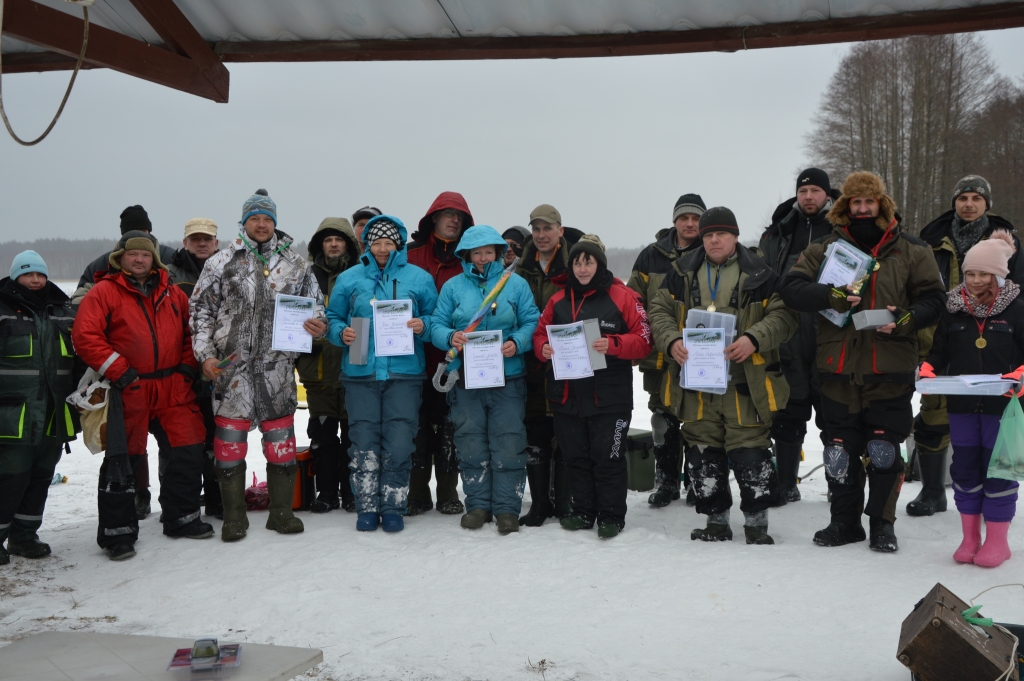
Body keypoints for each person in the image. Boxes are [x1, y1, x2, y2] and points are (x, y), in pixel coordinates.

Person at [781, 171, 946, 552]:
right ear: (845, 206)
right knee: (839, 450)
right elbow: (791, 289)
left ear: (882, 205)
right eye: (855, 202)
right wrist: (829, 296)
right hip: (836, 367)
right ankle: (844, 523)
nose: (862, 208)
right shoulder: (824, 249)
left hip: (889, 367)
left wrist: (908, 318)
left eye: (869, 202)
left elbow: (936, 300)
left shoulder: (912, 250)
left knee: (884, 450)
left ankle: (882, 525)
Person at [649, 208, 796, 544]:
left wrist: (754, 338)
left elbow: (785, 316)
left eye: (721, 234)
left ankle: (757, 526)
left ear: (735, 236)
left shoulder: (761, 274)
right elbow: (657, 309)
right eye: (708, 235)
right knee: (702, 453)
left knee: (751, 453)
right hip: (697, 383)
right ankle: (716, 523)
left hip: (745, 383)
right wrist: (671, 340)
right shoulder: (680, 273)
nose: (714, 240)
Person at [191, 189, 326, 542]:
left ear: (275, 223)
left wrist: (317, 325)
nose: (262, 224)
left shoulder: (297, 265)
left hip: (277, 370)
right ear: (244, 222)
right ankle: (235, 516)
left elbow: (316, 309)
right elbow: (200, 312)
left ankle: (281, 513)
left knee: (280, 442)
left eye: (267, 219)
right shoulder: (220, 263)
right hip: (230, 372)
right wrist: (204, 355)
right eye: (255, 218)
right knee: (229, 444)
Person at [74, 232, 213, 560]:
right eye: (133, 254)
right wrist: (119, 371)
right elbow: (85, 335)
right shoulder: (104, 292)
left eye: (146, 255)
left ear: (155, 260)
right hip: (128, 388)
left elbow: (191, 334)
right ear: (120, 258)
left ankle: (182, 516)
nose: (139, 260)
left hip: (172, 387)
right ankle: (118, 532)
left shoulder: (174, 293)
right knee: (124, 459)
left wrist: (185, 371)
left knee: (188, 448)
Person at [910, 175, 1022, 517]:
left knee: (992, 431)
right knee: (934, 417)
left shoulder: (1010, 245)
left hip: (998, 344)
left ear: (987, 203)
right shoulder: (931, 240)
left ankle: (995, 504)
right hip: (944, 336)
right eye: (963, 198)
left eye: (976, 197)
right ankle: (932, 491)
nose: (969, 203)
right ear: (954, 202)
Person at [533, 234, 651, 538]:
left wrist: (613, 344)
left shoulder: (623, 296)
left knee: (608, 459)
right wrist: (543, 347)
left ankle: (611, 516)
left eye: (589, 261)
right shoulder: (558, 299)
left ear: (599, 264)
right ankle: (584, 512)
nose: (583, 268)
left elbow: (644, 341)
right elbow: (539, 334)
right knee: (576, 459)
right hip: (567, 396)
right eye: (577, 261)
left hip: (610, 398)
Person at [326, 215, 437, 533]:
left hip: (404, 374)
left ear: (399, 244)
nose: (383, 248)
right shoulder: (350, 279)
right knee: (363, 443)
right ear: (367, 244)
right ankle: (367, 506)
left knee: (399, 444)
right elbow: (333, 317)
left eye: (389, 243)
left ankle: (392, 506)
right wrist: (341, 333)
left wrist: (423, 325)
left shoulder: (419, 278)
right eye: (377, 242)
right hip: (361, 373)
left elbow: (435, 316)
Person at [430, 225, 540, 534]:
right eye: (476, 253)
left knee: (508, 441)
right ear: (466, 255)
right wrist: (451, 336)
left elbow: (532, 320)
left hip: (508, 377)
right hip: (466, 378)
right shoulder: (453, 287)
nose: (482, 258)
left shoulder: (515, 285)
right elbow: (436, 323)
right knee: (471, 441)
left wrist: (517, 343)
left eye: (488, 252)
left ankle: (507, 508)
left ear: (498, 253)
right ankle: (478, 505)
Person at [71, 204, 177, 520]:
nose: (141, 244)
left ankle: (169, 495)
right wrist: (110, 359)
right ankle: (139, 496)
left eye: (145, 232)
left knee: (173, 440)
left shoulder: (169, 255)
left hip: (167, 378)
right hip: (124, 377)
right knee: (131, 444)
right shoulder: (100, 266)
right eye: (134, 233)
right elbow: (80, 312)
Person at [922, 238, 1020, 568]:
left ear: (999, 276)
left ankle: (997, 541)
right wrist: (929, 366)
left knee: (999, 469)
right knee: (964, 468)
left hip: (1004, 406)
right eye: (971, 273)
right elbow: (940, 350)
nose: (976, 280)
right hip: (962, 403)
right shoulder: (952, 308)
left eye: (984, 274)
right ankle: (970, 537)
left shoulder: (1017, 307)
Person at [759, 169, 839, 503]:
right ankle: (786, 483)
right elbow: (761, 279)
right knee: (788, 411)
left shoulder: (843, 230)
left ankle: (840, 484)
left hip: (830, 331)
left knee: (835, 415)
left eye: (815, 190)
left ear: (827, 195)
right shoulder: (778, 233)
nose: (808, 197)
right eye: (803, 190)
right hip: (788, 331)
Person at [0, 252, 81, 565]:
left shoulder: (62, 311)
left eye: (40, 275)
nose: (35, 280)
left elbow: (78, 358)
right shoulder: (3, 310)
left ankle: (25, 535)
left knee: (41, 475)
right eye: (27, 274)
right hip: (13, 413)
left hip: (54, 412)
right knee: (11, 476)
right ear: (16, 276)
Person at [627, 193, 705, 508]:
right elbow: (633, 301)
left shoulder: (711, 252)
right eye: (684, 218)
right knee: (663, 419)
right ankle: (667, 483)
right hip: (659, 356)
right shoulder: (651, 256)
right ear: (674, 221)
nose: (690, 223)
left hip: (700, 354)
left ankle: (698, 483)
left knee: (700, 419)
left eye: (696, 218)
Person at [406, 192, 475, 516]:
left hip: (456, 361)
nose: (453, 220)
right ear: (432, 218)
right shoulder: (411, 256)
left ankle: (448, 492)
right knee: (417, 428)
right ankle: (417, 493)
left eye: (458, 216)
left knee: (451, 427)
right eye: (446, 214)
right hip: (413, 359)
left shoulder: (470, 262)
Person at [517, 204, 584, 526]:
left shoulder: (577, 263)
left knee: (567, 431)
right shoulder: (520, 269)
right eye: (536, 229)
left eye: (548, 228)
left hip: (568, 361)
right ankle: (540, 503)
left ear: (560, 229)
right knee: (536, 432)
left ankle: (567, 501)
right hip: (531, 363)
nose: (541, 235)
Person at [296, 218, 360, 513]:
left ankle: (350, 492)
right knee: (321, 435)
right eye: (327, 240)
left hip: (353, 369)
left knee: (352, 435)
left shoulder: (360, 276)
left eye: (339, 239)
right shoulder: (303, 277)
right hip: (317, 370)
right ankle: (326, 492)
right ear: (319, 245)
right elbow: (292, 324)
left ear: (348, 244)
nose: (334, 244)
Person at [165, 218, 222, 518]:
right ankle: (174, 503)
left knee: (217, 438)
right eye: (195, 238)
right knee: (178, 441)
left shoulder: (228, 269)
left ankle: (217, 498)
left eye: (207, 238)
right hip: (179, 369)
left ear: (216, 242)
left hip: (219, 369)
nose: (202, 243)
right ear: (185, 242)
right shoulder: (170, 275)